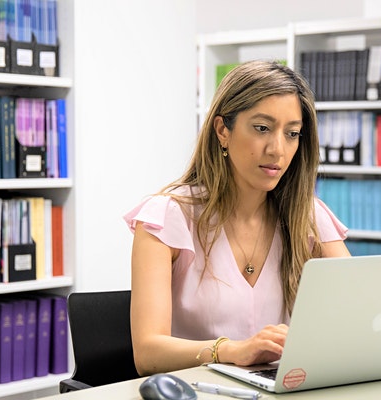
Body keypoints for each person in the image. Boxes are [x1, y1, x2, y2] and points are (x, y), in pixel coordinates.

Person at [123, 60, 351, 376]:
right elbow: (148, 354)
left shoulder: (309, 216)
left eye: (292, 133)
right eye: (262, 128)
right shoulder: (168, 218)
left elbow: (361, 315)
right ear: (223, 131)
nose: (278, 149)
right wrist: (231, 351)